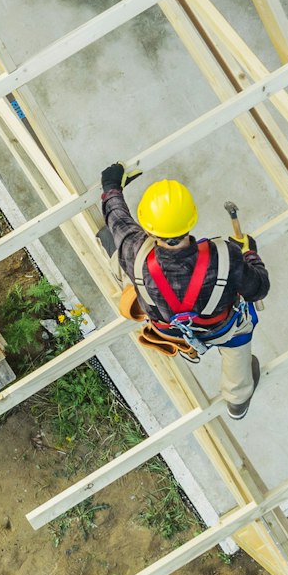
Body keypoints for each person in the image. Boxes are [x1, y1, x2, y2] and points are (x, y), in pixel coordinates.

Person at [99, 162, 268, 418]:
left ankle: (108, 245)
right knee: (240, 335)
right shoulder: (225, 255)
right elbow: (259, 289)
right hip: (221, 328)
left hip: (168, 330)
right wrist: (250, 254)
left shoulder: (134, 250)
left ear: (147, 226)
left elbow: (118, 219)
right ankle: (237, 399)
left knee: (118, 247)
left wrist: (111, 188)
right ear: (192, 218)